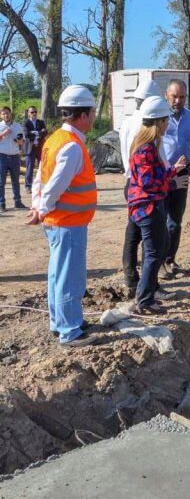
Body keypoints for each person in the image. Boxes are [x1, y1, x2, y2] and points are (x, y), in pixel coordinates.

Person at [26, 85, 98, 348]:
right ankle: (70, 330)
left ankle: (62, 321)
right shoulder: (72, 147)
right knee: (70, 276)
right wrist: (41, 209)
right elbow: (54, 185)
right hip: (68, 224)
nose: (93, 117)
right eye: (91, 112)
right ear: (82, 115)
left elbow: (39, 178)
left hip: (60, 223)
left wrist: (37, 206)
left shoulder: (55, 139)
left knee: (58, 274)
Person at [127, 97, 188, 314]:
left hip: (150, 206)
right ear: (159, 123)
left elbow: (155, 174)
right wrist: (172, 183)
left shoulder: (150, 147)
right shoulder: (145, 149)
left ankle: (148, 293)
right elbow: (148, 183)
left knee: (159, 249)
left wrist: (173, 170)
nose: (168, 124)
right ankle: (143, 299)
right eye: (166, 120)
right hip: (147, 208)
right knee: (153, 254)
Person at [119, 79, 162, 295]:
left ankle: (130, 277)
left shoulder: (126, 122)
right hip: (145, 187)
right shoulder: (145, 125)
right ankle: (149, 286)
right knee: (149, 238)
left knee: (133, 233)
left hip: (131, 184)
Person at [160, 79, 190, 278]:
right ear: (166, 95)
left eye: (182, 97)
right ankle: (158, 263)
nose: (178, 100)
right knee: (159, 218)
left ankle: (169, 259)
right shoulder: (159, 116)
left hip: (182, 172)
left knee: (175, 220)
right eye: (174, 96)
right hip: (161, 172)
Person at [0, 106, 26, 211]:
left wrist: (20, 142)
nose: (6, 115)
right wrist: (3, 134)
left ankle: (18, 202)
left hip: (15, 156)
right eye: (3, 114)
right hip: (2, 156)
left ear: (11, 114)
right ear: (1, 115)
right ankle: (1, 203)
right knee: (1, 182)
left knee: (16, 180)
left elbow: (22, 141)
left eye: (7, 113)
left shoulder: (18, 126)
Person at [22, 106, 48, 194]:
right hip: (30, 148)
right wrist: (39, 133)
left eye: (35, 112)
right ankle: (28, 186)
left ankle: (43, 185)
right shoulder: (25, 122)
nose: (34, 114)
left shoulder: (40, 122)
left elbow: (45, 132)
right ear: (28, 113)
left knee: (43, 166)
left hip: (40, 147)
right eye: (32, 112)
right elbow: (26, 134)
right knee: (30, 168)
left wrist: (35, 132)